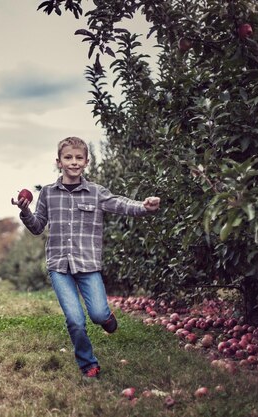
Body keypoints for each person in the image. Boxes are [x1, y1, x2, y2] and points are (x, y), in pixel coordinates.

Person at [11, 136, 160, 381]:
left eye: (79, 157)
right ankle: (88, 363)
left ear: (86, 162)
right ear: (58, 162)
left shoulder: (96, 192)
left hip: (88, 265)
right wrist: (25, 211)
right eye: (68, 157)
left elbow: (120, 204)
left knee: (98, 315)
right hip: (59, 266)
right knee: (75, 320)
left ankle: (106, 318)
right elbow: (38, 227)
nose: (74, 162)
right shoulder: (48, 193)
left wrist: (144, 206)